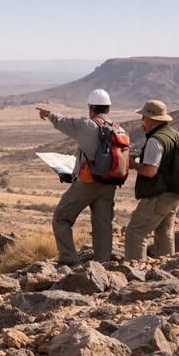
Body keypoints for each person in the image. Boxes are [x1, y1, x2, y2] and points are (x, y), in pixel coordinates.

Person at [36, 89, 118, 266]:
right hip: (109, 183)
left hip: (87, 183)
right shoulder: (118, 129)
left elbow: (63, 122)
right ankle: (103, 264)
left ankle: (69, 261)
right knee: (103, 225)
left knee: (61, 218)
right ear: (109, 109)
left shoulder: (87, 125)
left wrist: (48, 114)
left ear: (91, 109)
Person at [124, 100, 179, 261]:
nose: (142, 121)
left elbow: (150, 171)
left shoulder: (155, 140)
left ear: (152, 118)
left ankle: (133, 273)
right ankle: (167, 270)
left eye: (143, 117)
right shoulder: (174, 134)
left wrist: (133, 164)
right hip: (173, 193)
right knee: (164, 232)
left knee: (135, 232)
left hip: (159, 195)